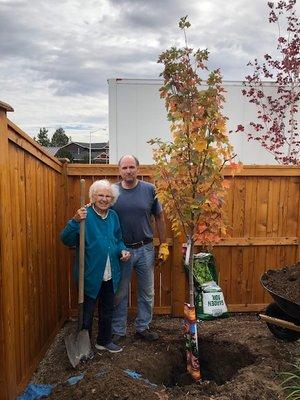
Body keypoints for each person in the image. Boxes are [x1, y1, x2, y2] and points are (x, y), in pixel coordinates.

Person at [61, 179, 131, 353]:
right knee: (87, 312)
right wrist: (74, 221)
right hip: (90, 274)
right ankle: (84, 346)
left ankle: (104, 341)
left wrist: (122, 250)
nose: (104, 199)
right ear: (93, 196)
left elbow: (119, 239)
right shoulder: (84, 215)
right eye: (101, 195)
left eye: (108, 196)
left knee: (107, 310)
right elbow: (65, 239)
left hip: (110, 273)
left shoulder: (113, 216)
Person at [111, 155, 169, 343]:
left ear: (138, 168)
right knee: (120, 292)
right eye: (124, 168)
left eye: (132, 167)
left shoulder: (149, 190)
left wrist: (164, 243)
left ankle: (142, 327)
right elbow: (102, 213)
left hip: (145, 248)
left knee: (147, 291)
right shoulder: (112, 192)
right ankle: (118, 330)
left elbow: (159, 217)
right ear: (119, 170)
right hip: (122, 251)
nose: (128, 171)